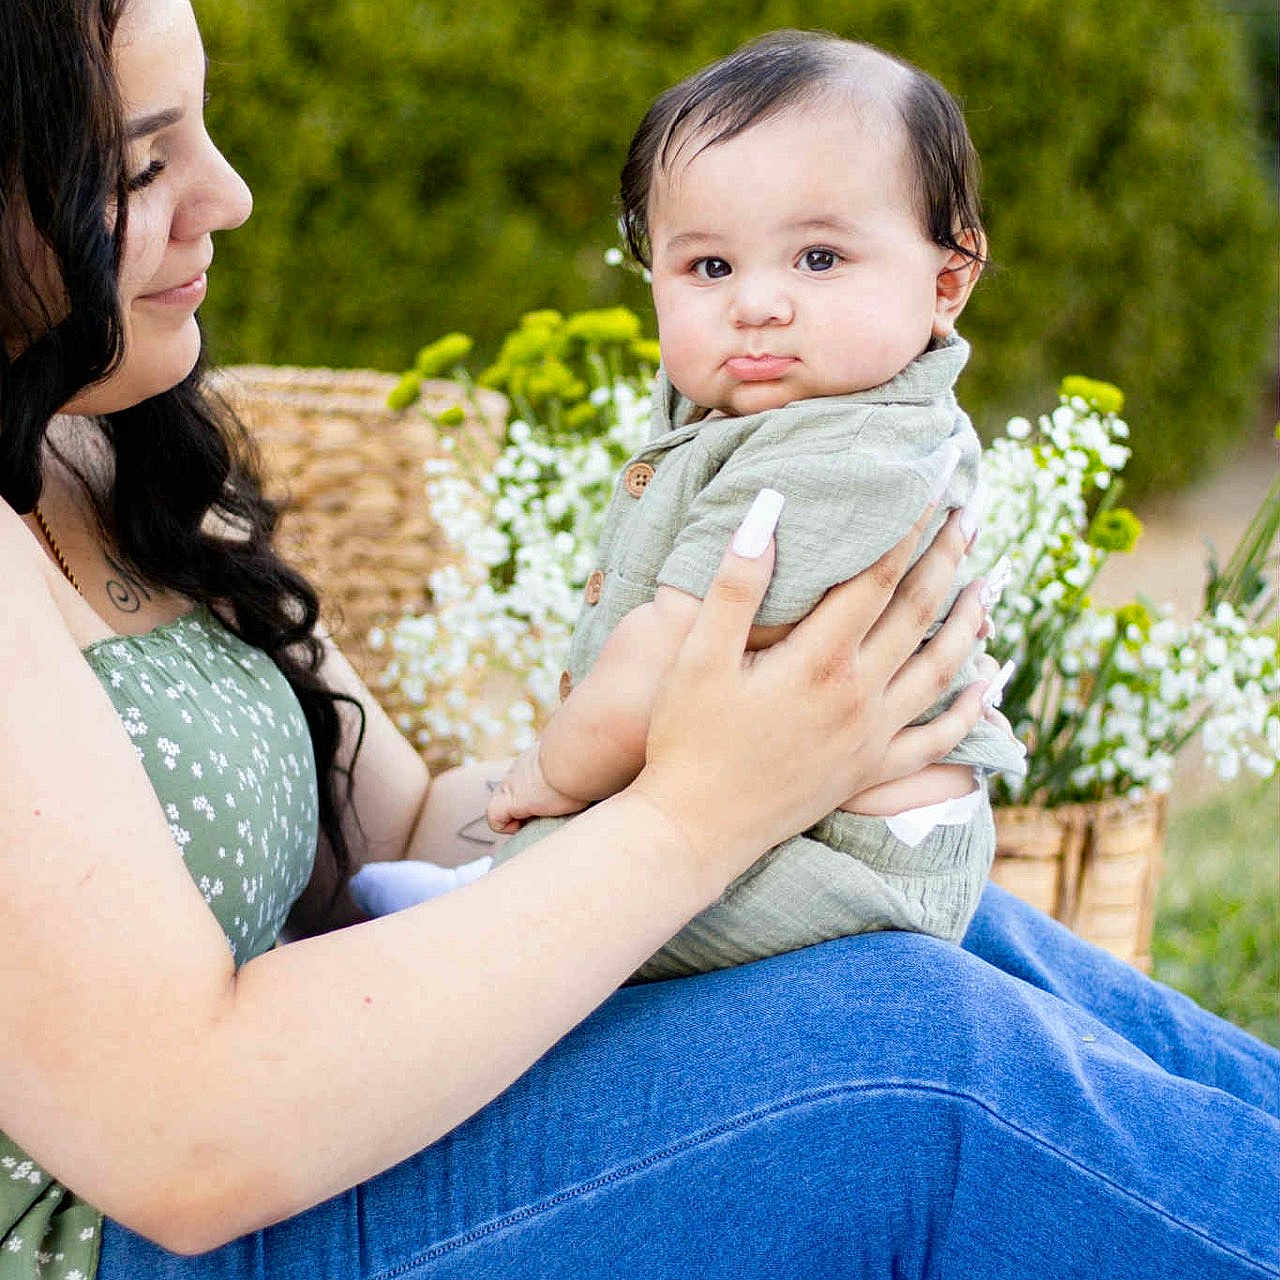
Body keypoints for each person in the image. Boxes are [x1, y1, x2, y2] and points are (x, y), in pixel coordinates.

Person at [0, 5, 1275, 1280]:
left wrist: (793, 751)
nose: (230, 194)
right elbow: (180, 1138)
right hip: (153, 1237)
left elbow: (395, 834)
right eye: (141, 167)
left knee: (915, 938)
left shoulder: (103, 447)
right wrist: (696, 812)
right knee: (910, 1067)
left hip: (333, 1103)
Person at [479, 33, 1027, 981]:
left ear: (948, 280)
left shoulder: (845, 450)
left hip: (842, 865)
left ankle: (455, 912)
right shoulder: (786, 410)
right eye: (710, 268)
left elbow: (663, 662)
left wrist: (548, 779)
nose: (758, 305)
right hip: (795, 819)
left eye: (818, 258)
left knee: (545, 894)